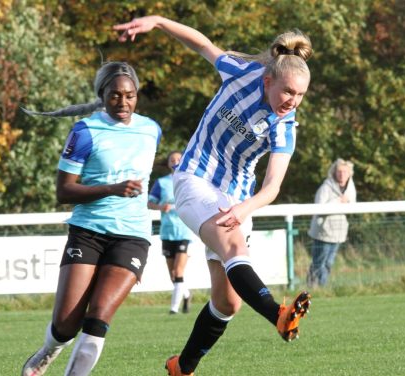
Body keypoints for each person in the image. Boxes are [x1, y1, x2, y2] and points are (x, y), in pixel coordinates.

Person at [114, 16, 313, 376]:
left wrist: (244, 207)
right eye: (287, 92)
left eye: (299, 95)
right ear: (268, 81)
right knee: (236, 249)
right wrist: (157, 22)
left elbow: (272, 187)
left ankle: (182, 367)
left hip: (237, 198)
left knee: (227, 303)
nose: (292, 102)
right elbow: (201, 43)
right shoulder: (241, 73)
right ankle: (279, 315)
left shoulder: (285, 128)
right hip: (194, 178)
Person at [20, 61, 162, 376]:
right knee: (66, 325)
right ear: (102, 94)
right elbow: (64, 191)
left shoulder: (152, 129)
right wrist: (112, 189)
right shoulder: (84, 131)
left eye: (130, 95)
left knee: (98, 317)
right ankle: (48, 351)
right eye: (114, 96)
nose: (123, 103)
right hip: (88, 232)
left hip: (133, 235)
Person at [148, 150, 196, 314]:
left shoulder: (190, 180)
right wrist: (161, 207)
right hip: (168, 231)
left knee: (178, 271)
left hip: (185, 231)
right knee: (173, 276)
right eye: (172, 159)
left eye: (178, 159)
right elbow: (150, 203)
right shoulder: (161, 183)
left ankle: (174, 308)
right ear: (168, 164)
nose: (175, 161)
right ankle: (187, 294)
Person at [307, 158, 357, 287]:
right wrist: (337, 202)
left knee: (328, 263)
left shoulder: (350, 188)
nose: (342, 174)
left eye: (345, 172)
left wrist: (347, 203)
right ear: (334, 172)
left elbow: (352, 205)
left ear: (349, 173)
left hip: (338, 232)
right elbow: (319, 208)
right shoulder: (325, 187)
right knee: (319, 262)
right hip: (323, 232)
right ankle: (317, 287)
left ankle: (318, 286)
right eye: (339, 171)